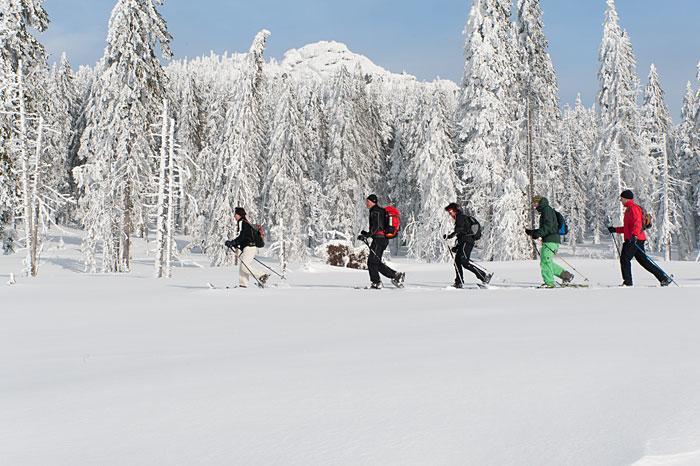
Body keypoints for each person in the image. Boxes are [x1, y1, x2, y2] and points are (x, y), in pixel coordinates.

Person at [607, 190, 671, 287]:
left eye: (622, 198)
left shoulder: (633, 208)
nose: (620, 200)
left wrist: (634, 235)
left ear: (626, 198)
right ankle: (664, 278)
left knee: (625, 259)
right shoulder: (629, 209)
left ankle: (628, 282)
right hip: (636, 238)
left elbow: (637, 223)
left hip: (634, 239)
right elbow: (628, 228)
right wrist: (615, 229)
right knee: (644, 262)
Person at [524, 196, 574, 288]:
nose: (533, 205)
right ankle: (566, 276)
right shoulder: (546, 211)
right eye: (533, 203)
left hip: (551, 240)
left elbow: (548, 226)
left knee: (545, 262)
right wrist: (533, 232)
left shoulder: (547, 210)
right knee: (547, 261)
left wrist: (536, 233)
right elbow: (548, 227)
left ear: (539, 202)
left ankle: (549, 283)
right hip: (551, 240)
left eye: (535, 202)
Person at [357, 194, 405, 289]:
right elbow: (378, 227)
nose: (366, 203)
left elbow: (377, 226)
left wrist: (367, 235)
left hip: (379, 240)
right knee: (376, 262)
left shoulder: (376, 211)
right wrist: (367, 234)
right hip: (381, 239)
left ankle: (376, 282)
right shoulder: (377, 211)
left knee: (372, 262)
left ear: (373, 202)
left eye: (368, 201)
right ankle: (396, 276)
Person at [443, 203, 493, 288]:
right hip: (464, 242)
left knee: (464, 262)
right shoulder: (460, 218)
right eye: (449, 212)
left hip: (467, 242)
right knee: (457, 261)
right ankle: (459, 282)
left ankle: (484, 276)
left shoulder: (460, 217)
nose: (450, 213)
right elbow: (462, 233)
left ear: (456, 210)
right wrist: (457, 247)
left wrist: (450, 236)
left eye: (451, 211)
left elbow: (459, 230)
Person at [224, 207, 269, 288]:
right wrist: (233, 243)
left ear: (239, 215)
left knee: (244, 266)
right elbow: (245, 237)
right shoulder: (245, 223)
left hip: (249, 247)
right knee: (242, 266)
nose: (234, 216)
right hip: (248, 247)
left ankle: (262, 275)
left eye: (235, 214)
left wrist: (233, 242)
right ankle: (243, 285)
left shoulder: (242, 222)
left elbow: (242, 236)